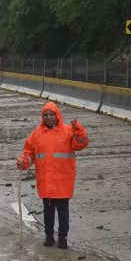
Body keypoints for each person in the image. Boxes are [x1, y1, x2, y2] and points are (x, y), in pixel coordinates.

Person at [15, 102, 89, 249]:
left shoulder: (68, 131)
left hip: (62, 181)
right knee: (48, 212)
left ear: (57, 115)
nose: (49, 117)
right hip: (46, 181)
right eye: (46, 115)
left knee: (63, 212)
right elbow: (29, 154)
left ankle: (62, 238)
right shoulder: (36, 134)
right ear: (43, 117)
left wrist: (79, 130)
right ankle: (49, 236)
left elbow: (81, 144)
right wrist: (23, 162)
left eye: (51, 114)